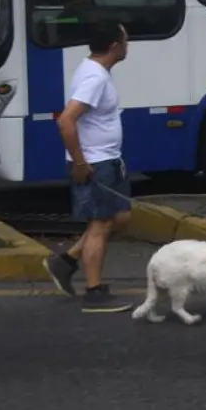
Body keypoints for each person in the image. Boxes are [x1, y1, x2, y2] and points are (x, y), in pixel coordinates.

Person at [44, 21, 135, 313]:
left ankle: (66, 261)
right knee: (99, 225)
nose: (127, 44)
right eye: (125, 40)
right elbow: (66, 121)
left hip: (109, 158)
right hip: (96, 163)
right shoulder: (94, 78)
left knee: (121, 217)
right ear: (114, 46)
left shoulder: (95, 71)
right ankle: (94, 292)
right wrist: (80, 163)